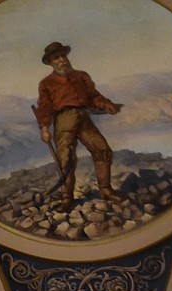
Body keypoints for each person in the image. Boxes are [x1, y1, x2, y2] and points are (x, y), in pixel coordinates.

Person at [34, 41, 123, 210]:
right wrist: (44, 128)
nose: (61, 60)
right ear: (51, 62)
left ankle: (105, 190)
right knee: (66, 159)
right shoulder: (46, 83)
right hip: (63, 119)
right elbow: (44, 107)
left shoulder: (81, 76)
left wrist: (107, 105)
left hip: (83, 117)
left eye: (63, 55)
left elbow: (94, 97)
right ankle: (67, 198)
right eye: (56, 58)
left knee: (102, 149)